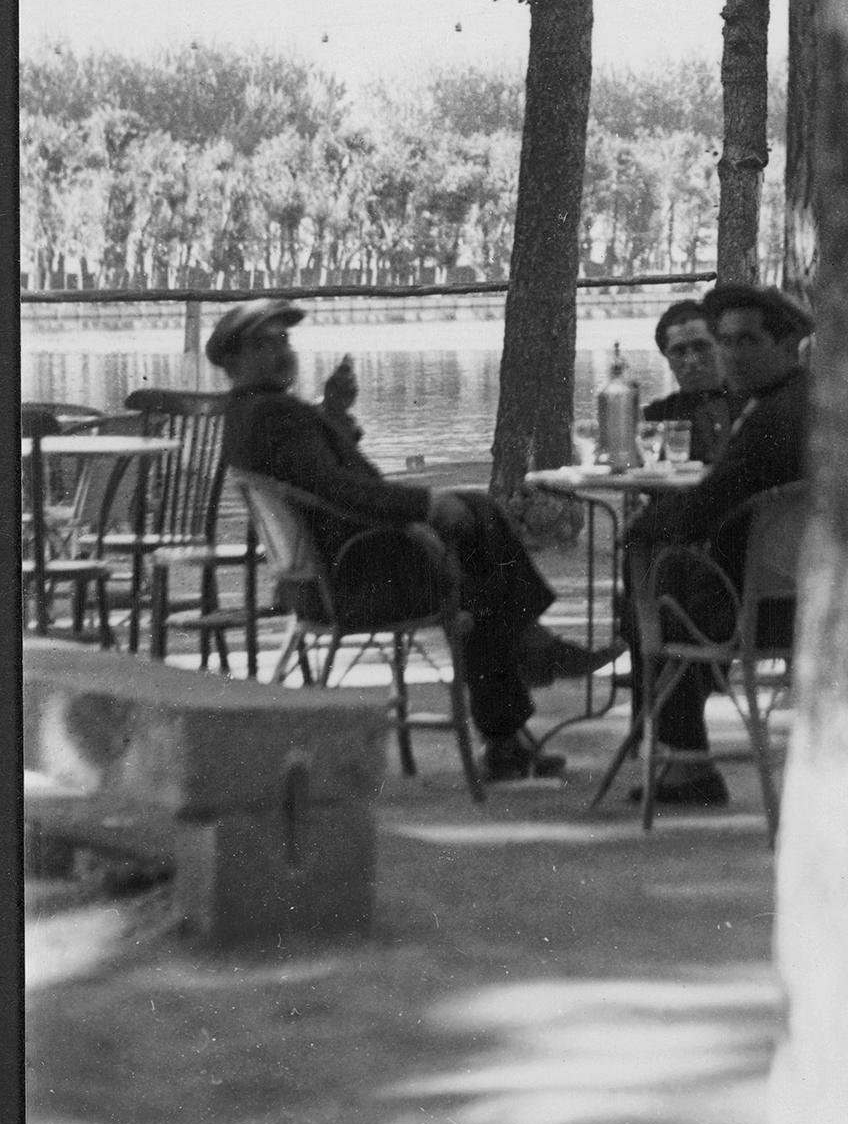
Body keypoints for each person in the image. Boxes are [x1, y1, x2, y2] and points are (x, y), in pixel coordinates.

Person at [211, 298, 619, 783]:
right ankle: (529, 655)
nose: (281, 352)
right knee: (478, 556)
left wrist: (333, 411)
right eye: (264, 343)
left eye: (283, 340)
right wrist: (423, 507)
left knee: (478, 528)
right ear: (232, 360)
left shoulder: (250, 413)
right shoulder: (275, 417)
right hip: (357, 577)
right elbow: (336, 489)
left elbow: (313, 479)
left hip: (325, 578)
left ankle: (518, 698)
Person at [619, 282, 811, 807]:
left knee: (658, 589)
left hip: (764, 611)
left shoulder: (770, 418)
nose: (730, 354)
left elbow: (707, 506)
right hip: (808, 597)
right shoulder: (805, 399)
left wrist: (639, 529)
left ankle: (683, 763)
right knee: (674, 580)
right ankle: (673, 748)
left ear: (787, 343)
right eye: (725, 341)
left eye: (746, 341)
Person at [641, 299, 732, 464]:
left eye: (701, 347)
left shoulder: (754, 407)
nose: (691, 360)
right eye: (679, 351)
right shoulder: (656, 418)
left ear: (721, 346)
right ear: (667, 359)